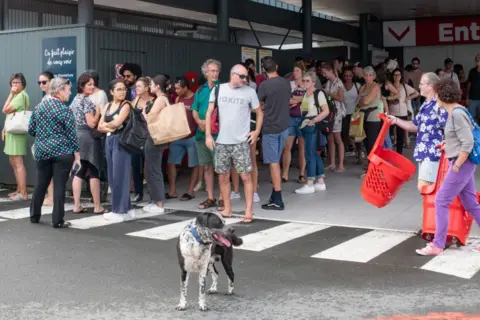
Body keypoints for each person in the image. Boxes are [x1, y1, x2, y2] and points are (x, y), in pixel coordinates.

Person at [415, 78, 480, 256]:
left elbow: (467, 143)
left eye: (437, 94)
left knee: (441, 201)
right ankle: (438, 243)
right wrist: (449, 144)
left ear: (443, 95)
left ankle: (437, 244)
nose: (435, 98)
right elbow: (461, 139)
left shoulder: (457, 113)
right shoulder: (458, 111)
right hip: (463, 163)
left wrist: (457, 165)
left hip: (461, 164)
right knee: (471, 204)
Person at [205, 64, 263, 223]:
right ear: (233, 75)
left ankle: (249, 211)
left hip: (241, 142)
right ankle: (228, 209)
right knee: (223, 177)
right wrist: (208, 135)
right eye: (243, 76)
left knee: (246, 177)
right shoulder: (218, 90)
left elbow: (259, 112)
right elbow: (209, 113)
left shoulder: (250, 92)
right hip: (221, 142)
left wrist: (256, 131)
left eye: (247, 77)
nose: (246, 79)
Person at [28, 77, 81, 228]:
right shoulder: (65, 110)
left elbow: (31, 129)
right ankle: (57, 220)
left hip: (42, 150)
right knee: (59, 186)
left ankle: (34, 215)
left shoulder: (39, 107)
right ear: (59, 90)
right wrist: (77, 156)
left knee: (40, 184)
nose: (70, 93)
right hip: (63, 152)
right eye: (68, 90)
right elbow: (72, 135)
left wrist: (45, 135)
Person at [98, 79, 135, 222]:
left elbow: (117, 123)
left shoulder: (126, 105)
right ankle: (127, 208)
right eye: (119, 89)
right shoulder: (107, 105)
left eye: (124, 89)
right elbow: (100, 126)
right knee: (113, 175)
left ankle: (119, 211)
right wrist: (109, 127)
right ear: (111, 91)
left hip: (121, 140)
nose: (122, 91)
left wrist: (108, 126)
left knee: (120, 174)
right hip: (109, 139)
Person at [70, 73, 107, 215]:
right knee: (94, 169)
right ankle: (97, 206)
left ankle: (77, 205)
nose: (93, 87)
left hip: (77, 135)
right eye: (89, 84)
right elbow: (91, 123)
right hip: (88, 136)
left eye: (93, 84)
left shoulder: (75, 99)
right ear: (81, 86)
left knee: (80, 169)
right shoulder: (86, 101)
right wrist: (98, 113)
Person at [257, 57, 291, 210]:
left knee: (273, 163)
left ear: (264, 70)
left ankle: (278, 198)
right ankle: (274, 195)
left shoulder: (264, 85)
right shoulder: (285, 83)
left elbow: (256, 105)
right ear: (276, 66)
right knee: (277, 159)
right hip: (284, 126)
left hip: (270, 127)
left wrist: (263, 107)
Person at [191, 59, 223, 210]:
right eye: (212, 71)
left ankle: (223, 197)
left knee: (221, 167)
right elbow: (194, 108)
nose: (215, 73)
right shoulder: (200, 90)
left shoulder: (223, 88)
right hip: (201, 133)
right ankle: (211, 197)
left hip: (218, 134)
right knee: (207, 167)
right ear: (205, 73)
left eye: (217, 70)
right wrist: (199, 122)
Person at [294, 72, 329, 194]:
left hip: (312, 125)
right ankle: (320, 181)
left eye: (307, 81)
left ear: (313, 82)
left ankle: (310, 183)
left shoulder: (318, 94)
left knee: (309, 153)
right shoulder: (306, 94)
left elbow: (326, 111)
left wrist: (314, 120)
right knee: (314, 153)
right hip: (306, 124)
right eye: (303, 81)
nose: (304, 83)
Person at [166, 76, 199, 201]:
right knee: (171, 163)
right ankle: (173, 190)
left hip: (192, 136)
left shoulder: (195, 98)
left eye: (179, 89)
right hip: (178, 136)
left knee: (194, 165)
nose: (176, 91)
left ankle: (190, 191)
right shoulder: (178, 98)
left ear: (186, 88)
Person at [141, 75, 169, 214]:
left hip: (155, 138)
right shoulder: (164, 99)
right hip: (158, 138)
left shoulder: (160, 100)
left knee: (153, 169)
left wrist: (144, 113)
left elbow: (150, 118)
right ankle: (156, 201)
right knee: (153, 168)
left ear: (158, 86)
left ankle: (158, 202)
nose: (150, 86)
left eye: (152, 84)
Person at [2, 73, 30, 201]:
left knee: (18, 162)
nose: (14, 85)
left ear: (22, 84)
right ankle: (19, 189)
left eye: (17, 83)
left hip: (16, 132)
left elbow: (5, 110)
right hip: (12, 131)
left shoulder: (20, 96)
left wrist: (11, 94)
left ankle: (23, 192)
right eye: (12, 83)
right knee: (13, 161)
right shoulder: (19, 96)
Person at [37, 71, 55, 206]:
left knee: (49, 169)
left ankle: (51, 197)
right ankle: (51, 196)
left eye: (44, 82)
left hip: (49, 137)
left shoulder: (50, 98)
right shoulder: (47, 97)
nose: (41, 85)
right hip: (47, 137)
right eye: (39, 83)